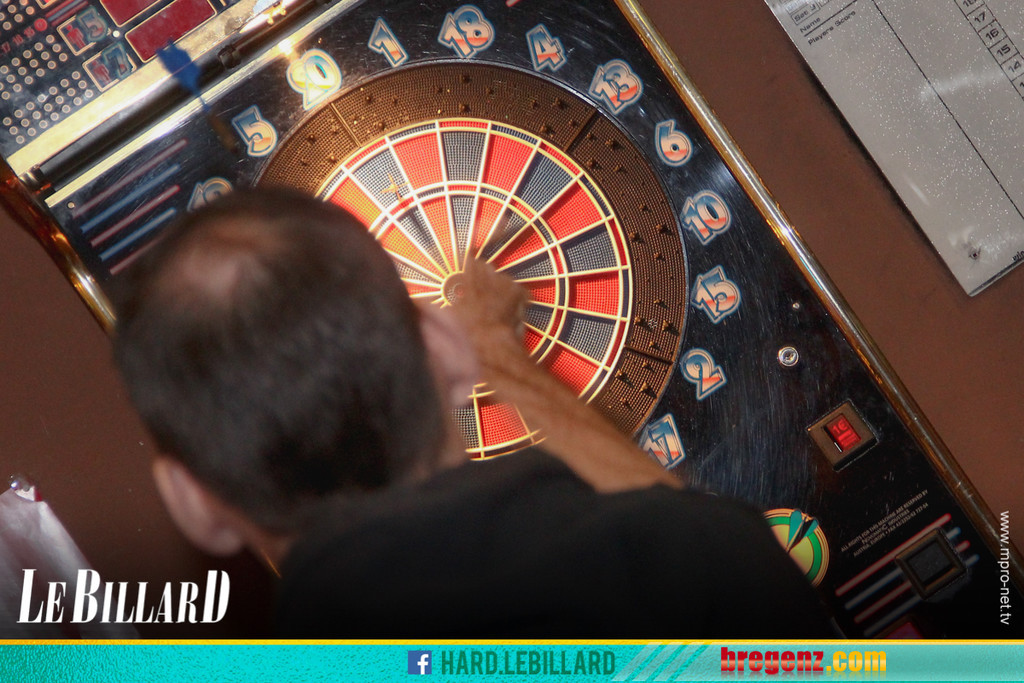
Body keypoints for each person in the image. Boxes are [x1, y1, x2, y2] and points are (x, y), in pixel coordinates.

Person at [111, 188, 832, 637]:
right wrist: (498, 351)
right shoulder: (713, 566)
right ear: (445, 350)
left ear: (191, 503)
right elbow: (674, 540)